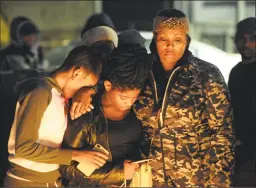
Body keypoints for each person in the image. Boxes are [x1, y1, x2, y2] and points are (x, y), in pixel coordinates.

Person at [132, 9, 235, 187]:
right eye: (163, 39)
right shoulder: (139, 73)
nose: (170, 46)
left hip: (194, 180)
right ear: (154, 40)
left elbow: (222, 135)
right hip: (147, 179)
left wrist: (218, 183)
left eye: (177, 40)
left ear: (187, 41)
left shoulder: (206, 75)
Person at [4, 45, 108, 187]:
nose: (83, 91)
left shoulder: (59, 95)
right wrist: (77, 155)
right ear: (76, 73)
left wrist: (88, 92)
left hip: (51, 180)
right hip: (26, 181)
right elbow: (24, 148)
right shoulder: (40, 92)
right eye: (85, 86)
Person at [60, 45, 151, 187]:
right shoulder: (85, 113)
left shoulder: (140, 107)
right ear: (108, 86)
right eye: (123, 97)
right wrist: (119, 173)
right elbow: (66, 167)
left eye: (134, 97)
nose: (129, 103)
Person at [228, 17, 256, 187]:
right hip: (239, 157)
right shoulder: (236, 72)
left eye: (252, 38)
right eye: (242, 39)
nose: (246, 44)